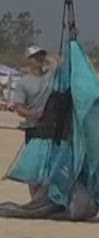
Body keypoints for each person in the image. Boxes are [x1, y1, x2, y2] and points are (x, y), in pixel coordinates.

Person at [5, 46, 56, 202]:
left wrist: (47, 59)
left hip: (53, 127)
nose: (39, 59)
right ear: (28, 60)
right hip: (34, 128)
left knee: (51, 164)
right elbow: (19, 108)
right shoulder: (23, 83)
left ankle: (49, 199)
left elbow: (58, 65)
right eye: (35, 56)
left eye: (41, 56)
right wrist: (35, 114)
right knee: (34, 166)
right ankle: (35, 200)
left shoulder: (51, 76)